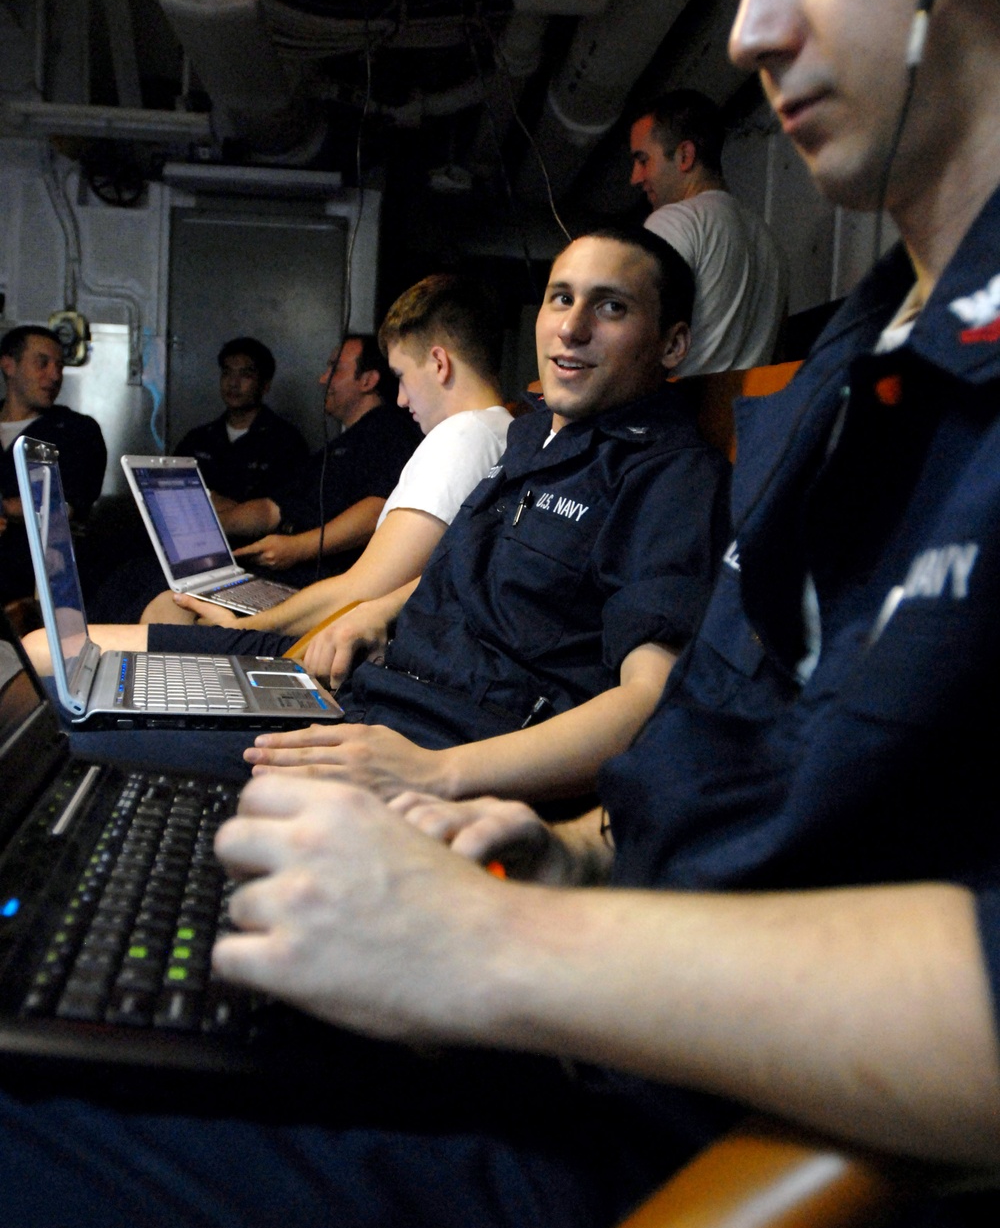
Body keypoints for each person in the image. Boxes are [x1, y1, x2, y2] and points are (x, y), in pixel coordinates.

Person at [4, 0, 999, 1228]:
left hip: (638, 1156)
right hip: (579, 1013)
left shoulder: (712, 454)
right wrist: (577, 853)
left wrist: (495, 938)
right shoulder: (858, 362)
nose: (750, 31)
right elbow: (740, 779)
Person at [38, 230, 729, 806]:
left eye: (610, 308)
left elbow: (650, 701)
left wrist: (438, 773)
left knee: (61, 744)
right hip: (359, 679)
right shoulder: (531, 439)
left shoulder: (671, 478)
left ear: (671, 346)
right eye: (561, 298)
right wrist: (387, 610)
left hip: (420, 737)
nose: (572, 327)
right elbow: (466, 567)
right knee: (55, 665)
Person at [147, 274, 514, 666]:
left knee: (162, 614)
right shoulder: (508, 431)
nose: (402, 399)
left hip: (358, 650)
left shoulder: (460, 438)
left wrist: (248, 629)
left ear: (439, 363)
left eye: (402, 377)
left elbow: (361, 590)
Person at [185, 335, 419, 591]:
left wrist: (298, 548)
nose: (323, 379)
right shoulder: (337, 447)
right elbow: (271, 509)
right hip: (279, 571)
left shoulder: (389, 432)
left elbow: (379, 508)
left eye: (335, 369)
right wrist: (203, 524)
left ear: (367, 380)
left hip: (318, 583)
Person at [629, 89, 787, 374]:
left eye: (643, 160)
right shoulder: (768, 241)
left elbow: (633, 341)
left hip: (675, 414)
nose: (635, 178)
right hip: (741, 416)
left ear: (684, 156)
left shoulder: (673, 221)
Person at [0, 324, 106, 603]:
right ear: (9, 365)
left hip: (39, 585)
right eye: (42, 363)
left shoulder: (77, 431)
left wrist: (4, 508)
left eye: (59, 366)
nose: (54, 375)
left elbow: (62, 506)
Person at [173, 337, 309, 504]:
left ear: (265, 385)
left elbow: (290, 507)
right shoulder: (198, 440)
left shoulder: (285, 443)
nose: (233, 383)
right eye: (227, 373)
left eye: (245, 375)